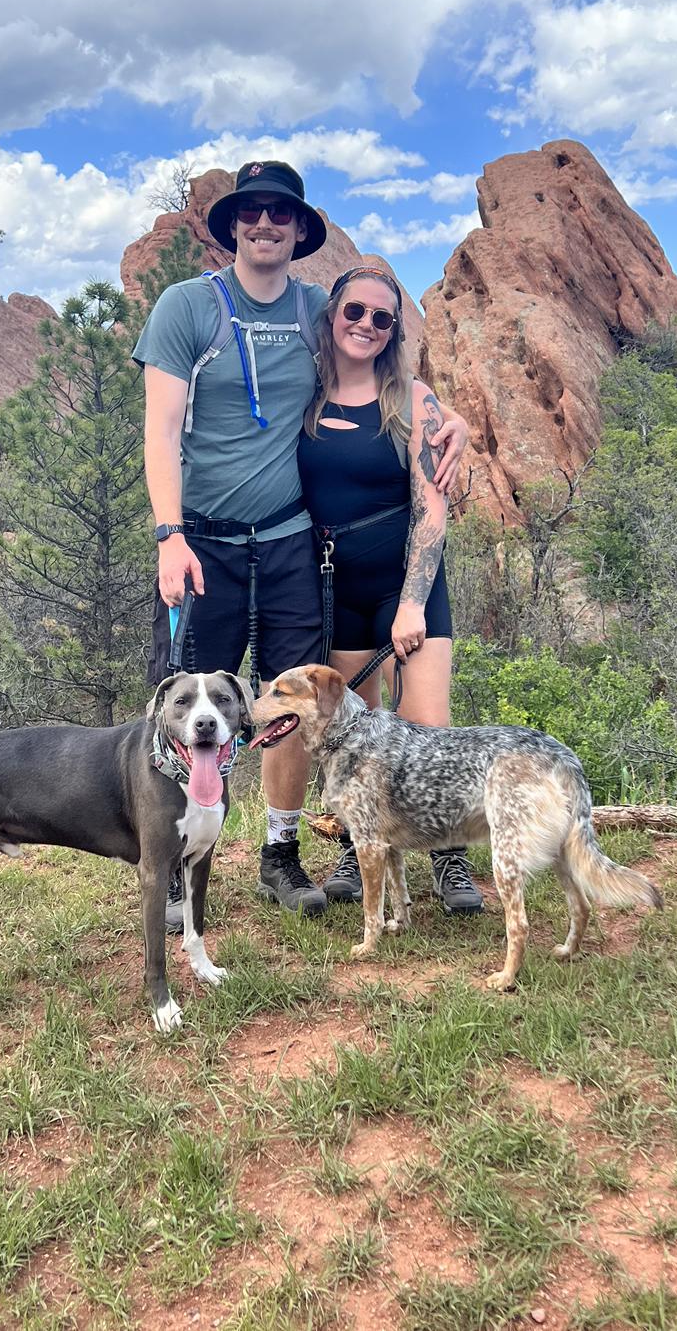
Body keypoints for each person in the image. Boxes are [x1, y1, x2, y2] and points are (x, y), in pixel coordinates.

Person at [134, 161, 467, 927]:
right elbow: (158, 428)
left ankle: (280, 854)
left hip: (288, 544)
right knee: (185, 701)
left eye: (279, 215)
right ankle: (175, 860)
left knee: (282, 704)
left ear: (298, 230)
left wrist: (453, 425)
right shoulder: (189, 306)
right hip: (202, 544)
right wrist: (168, 534)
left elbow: (386, 371)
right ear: (231, 227)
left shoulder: (318, 308)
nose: (264, 225)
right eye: (250, 213)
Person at [299, 265, 484, 916]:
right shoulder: (305, 392)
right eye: (355, 311)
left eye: (383, 318)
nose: (368, 326)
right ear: (332, 316)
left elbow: (432, 509)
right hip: (332, 588)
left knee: (429, 730)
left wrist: (410, 602)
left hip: (409, 585)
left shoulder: (413, 399)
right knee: (355, 735)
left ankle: (451, 856)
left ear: (395, 330)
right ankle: (357, 847)